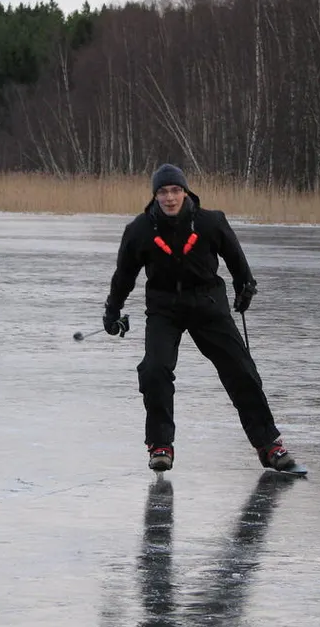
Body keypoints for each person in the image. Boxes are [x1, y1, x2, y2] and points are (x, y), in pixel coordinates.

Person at [102, 163, 295, 473]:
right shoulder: (139, 230)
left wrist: (245, 287)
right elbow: (124, 275)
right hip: (164, 308)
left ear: (185, 192)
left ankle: (269, 445)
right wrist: (112, 310)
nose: (169, 198)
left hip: (208, 303)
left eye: (175, 190)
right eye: (163, 192)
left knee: (241, 370)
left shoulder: (210, 222)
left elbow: (236, 259)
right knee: (154, 370)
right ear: (155, 196)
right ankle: (160, 445)